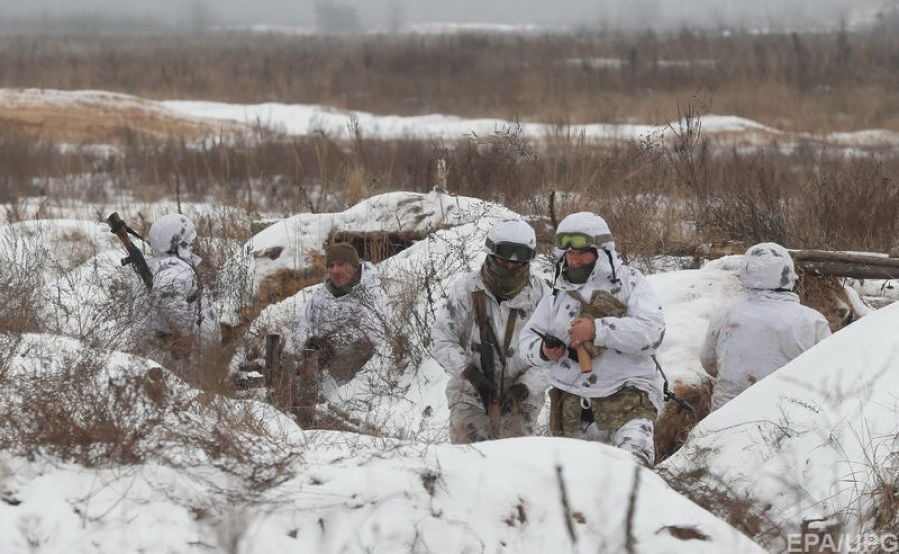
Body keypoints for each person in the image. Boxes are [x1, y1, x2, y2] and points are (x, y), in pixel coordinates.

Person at [519, 212, 665, 466]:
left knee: (634, 479)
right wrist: (543, 351)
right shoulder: (558, 292)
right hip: (572, 411)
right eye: (569, 253)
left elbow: (652, 333)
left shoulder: (631, 282)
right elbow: (526, 341)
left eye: (582, 253)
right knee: (576, 490)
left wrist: (598, 329)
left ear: (602, 252)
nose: (574, 260)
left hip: (627, 403)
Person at [432, 219, 549, 444]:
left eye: (518, 264)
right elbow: (442, 339)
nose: (511, 268)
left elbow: (552, 355)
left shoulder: (541, 295)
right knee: (469, 458)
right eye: (504, 262)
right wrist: (469, 373)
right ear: (491, 256)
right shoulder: (466, 289)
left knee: (515, 464)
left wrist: (525, 387)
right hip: (470, 393)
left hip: (521, 396)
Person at [700, 242, 831, 411]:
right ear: (787, 273)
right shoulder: (812, 321)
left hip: (724, 418)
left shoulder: (724, 315)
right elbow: (826, 377)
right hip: (784, 420)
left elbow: (708, 362)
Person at [290, 242, 390, 387]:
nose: (335, 270)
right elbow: (300, 325)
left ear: (354, 267)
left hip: (361, 384)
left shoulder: (372, 293)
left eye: (341, 264)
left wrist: (331, 345)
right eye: (331, 265)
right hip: (321, 379)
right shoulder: (320, 296)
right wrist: (308, 344)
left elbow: (376, 334)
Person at [132, 213, 220, 368]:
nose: (195, 244)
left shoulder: (158, 266)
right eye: (190, 240)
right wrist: (182, 338)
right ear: (178, 244)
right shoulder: (173, 268)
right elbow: (168, 297)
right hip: (181, 362)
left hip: (169, 360)